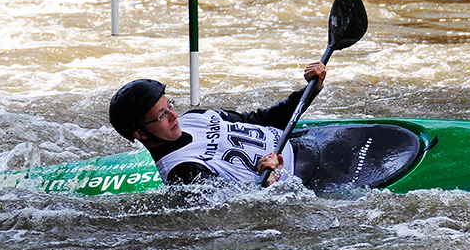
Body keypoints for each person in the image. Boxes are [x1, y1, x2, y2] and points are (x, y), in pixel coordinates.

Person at [109, 62, 327, 187]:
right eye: (161, 116)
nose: (173, 116)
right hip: (306, 178)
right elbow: (239, 204)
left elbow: (262, 120)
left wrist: (310, 91)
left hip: (306, 143)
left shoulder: (196, 117)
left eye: (170, 106)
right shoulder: (183, 173)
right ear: (141, 134)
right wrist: (269, 179)